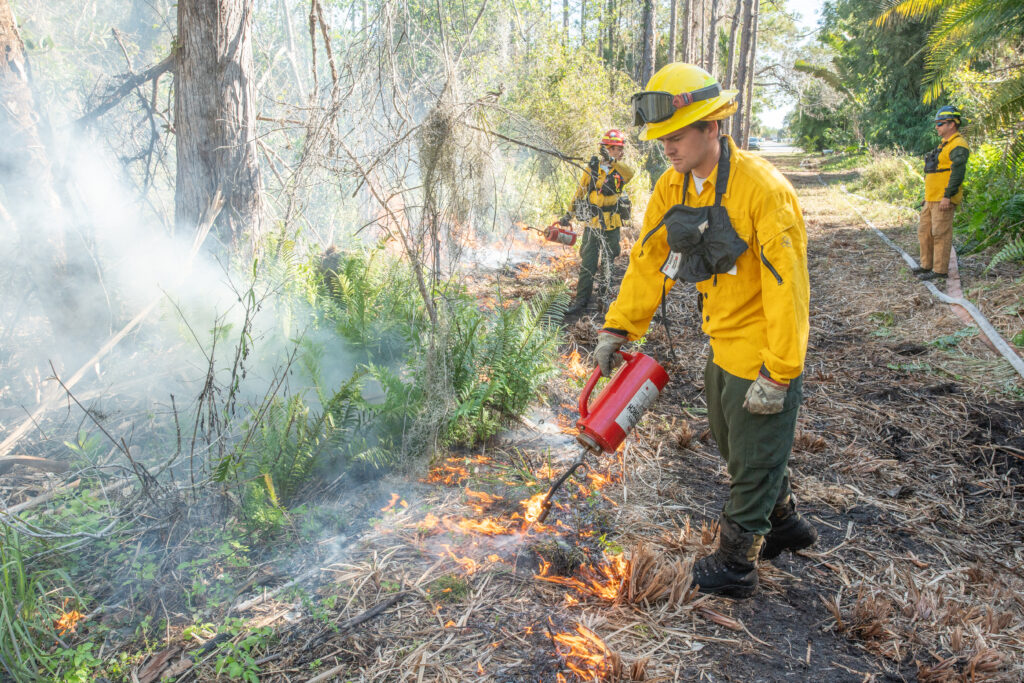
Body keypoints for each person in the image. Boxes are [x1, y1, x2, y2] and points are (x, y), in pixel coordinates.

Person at [592, 63, 815, 598]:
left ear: (712, 126)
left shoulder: (763, 190)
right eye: (660, 137)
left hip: (763, 349)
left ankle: (736, 565)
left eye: (676, 135)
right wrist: (619, 328)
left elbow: (789, 289)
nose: (665, 147)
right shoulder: (672, 186)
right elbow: (648, 260)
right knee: (734, 444)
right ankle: (784, 523)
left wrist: (780, 373)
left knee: (754, 454)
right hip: (722, 340)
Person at [562, 129, 635, 314]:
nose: (621, 152)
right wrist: (567, 215)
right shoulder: (592, 169)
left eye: (621, 149)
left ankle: (605, 300)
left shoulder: (619, 169)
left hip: (612, 224)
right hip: (593, 224)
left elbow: (630, 173)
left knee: (609, 262)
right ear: (607, 148)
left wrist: (612, 161)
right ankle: (581, 300)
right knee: (588, 261)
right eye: (617, 149)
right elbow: (579, 193)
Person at [913, 106, 970, 282]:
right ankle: (926, 265)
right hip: (931, 198)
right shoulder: (944, 144)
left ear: (952, 124)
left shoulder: (958, 145)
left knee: (940, 234)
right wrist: (927, 196)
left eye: (940, 124)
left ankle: (939, 270)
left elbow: (957, 174)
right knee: (925, 232)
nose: (937, 127)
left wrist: (948, 196)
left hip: (943, 199)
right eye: (937, 124)